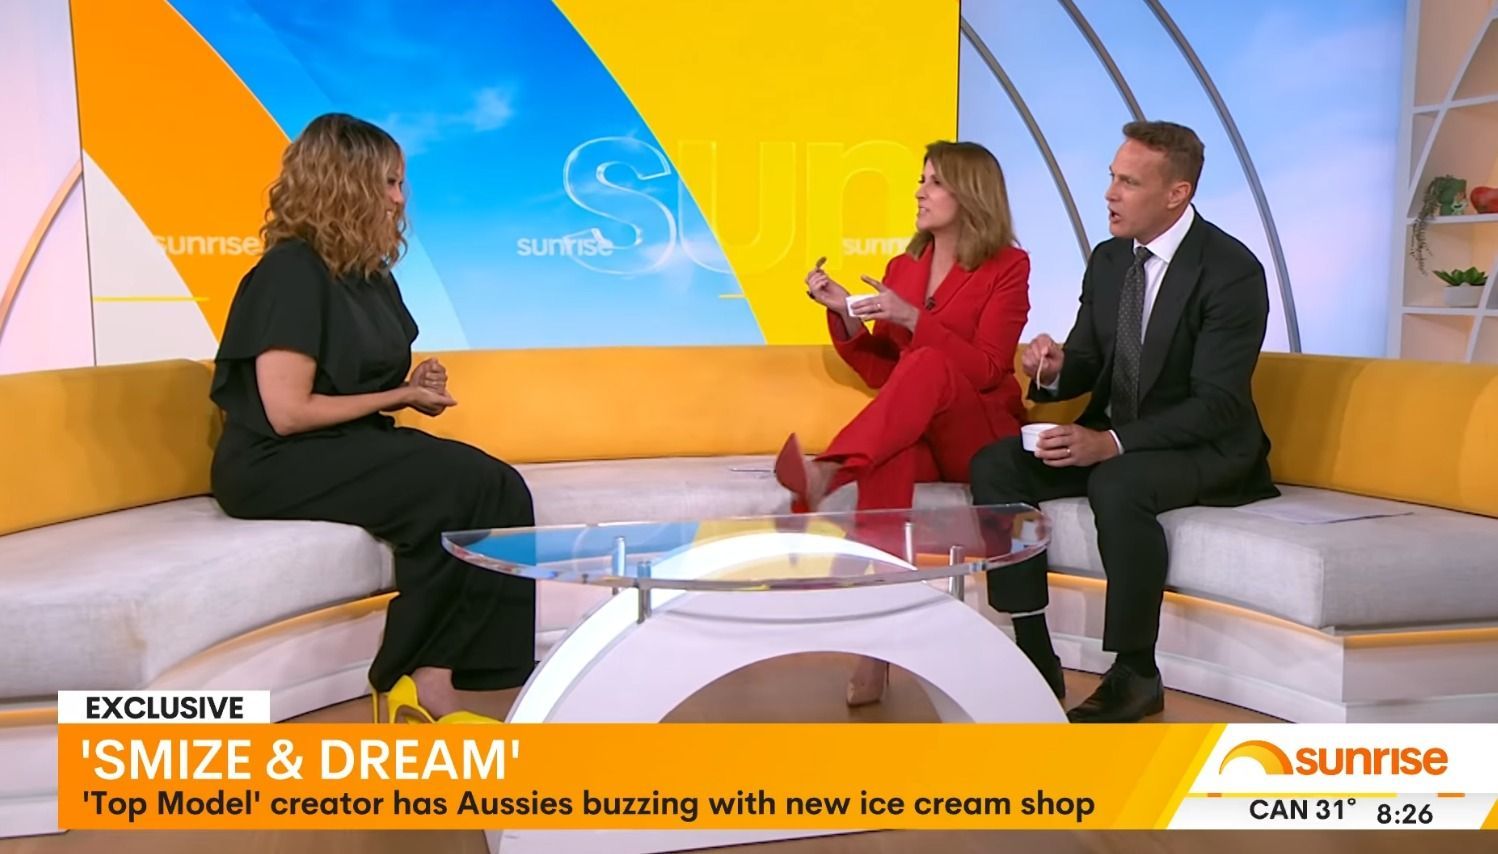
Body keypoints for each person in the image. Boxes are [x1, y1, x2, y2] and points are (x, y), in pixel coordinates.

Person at [209, 113, 536, 724]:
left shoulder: (367, 274)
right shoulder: (290, 273)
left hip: (342, 445)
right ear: (343, 186)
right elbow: (287, 412)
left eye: (400, 182)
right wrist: (397, 397)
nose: (399, 198)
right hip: (274, 462)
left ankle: (436, 674)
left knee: (498, 485)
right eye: (387, 182)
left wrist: (412, 386)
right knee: (457, 484)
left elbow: (359, 381)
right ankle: (407, 678)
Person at [974, 120, 1278, 722]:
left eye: (1129, 183)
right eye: (1112, 177)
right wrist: (1055, 368)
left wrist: (1111, 442)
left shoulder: (1230, 270)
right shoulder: (1110, 259)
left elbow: (1217, 403)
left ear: (1177, 194)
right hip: (1116, 439)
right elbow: (1090, 360)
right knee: (997, 464)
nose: (1110, 194)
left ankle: (1136, 672)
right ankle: (1032, 650)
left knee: (1119, 481)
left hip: (1204, 447)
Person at [775, 140, 1031, 707]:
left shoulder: (1008, 268)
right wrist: (844, 312)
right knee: (886, 457)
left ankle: (827, 472)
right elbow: (885, 375)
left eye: (934, 182)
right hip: (919, 432)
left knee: (931, 361)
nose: (919, 192)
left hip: (977, 434)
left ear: (970, 193)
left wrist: (915, 319)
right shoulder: (902, 268)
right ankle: (875, 648)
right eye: (921, 180)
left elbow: (988, 368)